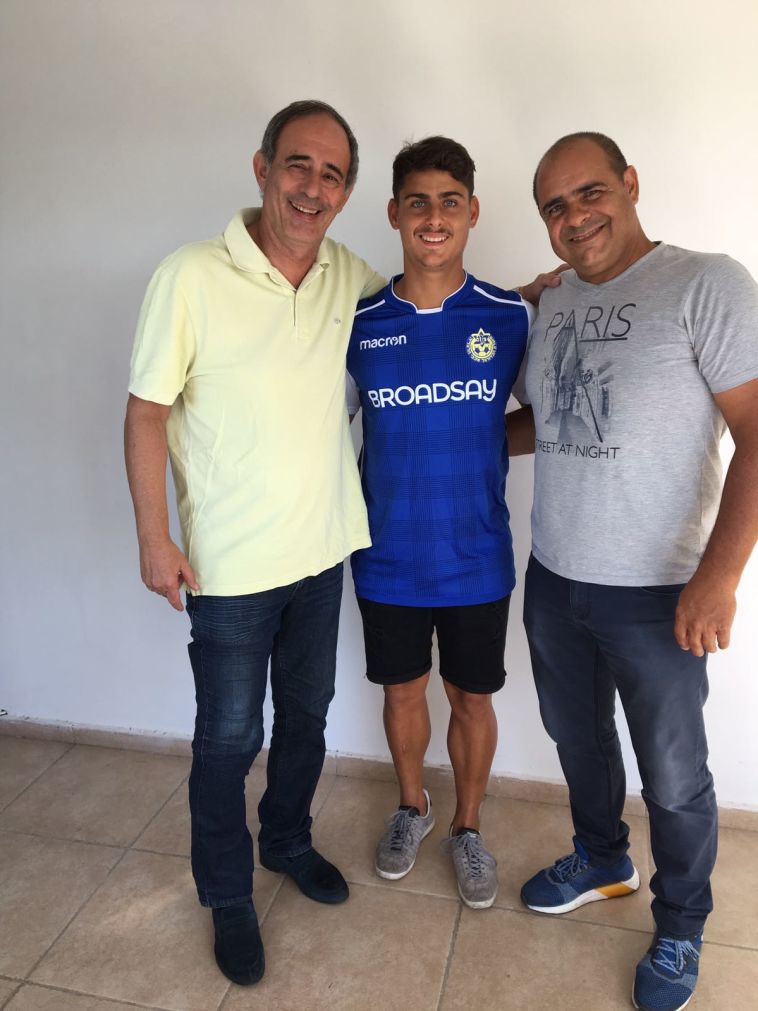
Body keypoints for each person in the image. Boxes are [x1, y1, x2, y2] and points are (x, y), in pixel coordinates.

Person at [124, 100, 385, 986]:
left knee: (306, 718)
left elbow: (424, 304)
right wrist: (154, 536)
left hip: (322, 553)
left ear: (345, 192)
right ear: (263, 166)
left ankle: (286, 840)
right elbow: (146, 412)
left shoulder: (349, 275)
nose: (313, 187)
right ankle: (227, 893)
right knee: (228, 741)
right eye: (298, 164)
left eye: (333, 174)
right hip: (229, 567)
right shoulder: (190, 275)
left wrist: (534, 294)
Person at [516, 131, 758, 1011]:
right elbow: (545, 418)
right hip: (555, 578)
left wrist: (720, 575)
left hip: (660, 592)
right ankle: (602, 857)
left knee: (674, 775)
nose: (575, 217)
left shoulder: (706, 283)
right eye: (554, 207)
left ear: (630, 183)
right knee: (578, 740)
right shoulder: (554, 304)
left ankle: (683, 922)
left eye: (590, 193)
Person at [346, 136, 535, 909]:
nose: (433, 217)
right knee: (401, 695)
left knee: (471, 699)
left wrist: (481, 434)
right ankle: (411, 807)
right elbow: (327, 427)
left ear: (473, 211)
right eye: (417, 202)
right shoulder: (359, 322)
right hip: (387, 554)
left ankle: (467, 825)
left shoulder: (510, 315)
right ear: (394, 212)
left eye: (449, 201)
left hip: (476, 556)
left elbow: (542, 415)